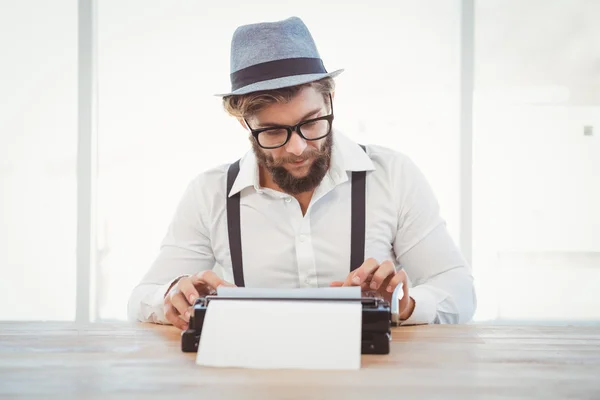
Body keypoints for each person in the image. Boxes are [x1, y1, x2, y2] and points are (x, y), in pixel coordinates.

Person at [127, 16, 476, 330]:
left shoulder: (394, 176)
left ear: (331, 98)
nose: (296, 148)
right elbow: (141, 298)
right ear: (243, 123)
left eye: (311, 123)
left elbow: (458, 290)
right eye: (273, 131)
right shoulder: (209, 194)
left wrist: (407, 304)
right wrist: (173, 295)